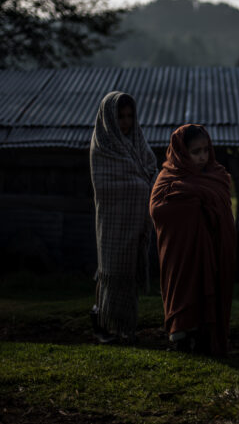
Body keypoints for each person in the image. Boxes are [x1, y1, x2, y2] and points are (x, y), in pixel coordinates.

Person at [149, 124, 236, 356]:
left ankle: (208, 338)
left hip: (213, 248)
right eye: (195, 152)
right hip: (182, 253)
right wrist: (191, 202)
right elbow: (157, 209)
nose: (202, 157)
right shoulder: (168, 178)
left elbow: (225, 213)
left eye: (205, 150)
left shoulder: (217, 176)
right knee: (184, 286)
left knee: (210, 290)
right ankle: (182, 336)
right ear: (180, 151)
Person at [89, 91, 158, 344]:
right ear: (109, 118)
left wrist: (145, 184)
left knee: (127, 274)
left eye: (130, 116)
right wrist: (139, 184)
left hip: (135, 223)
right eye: (120, 117)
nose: (126, 122)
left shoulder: (138, 141)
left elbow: (152, 169)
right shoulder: (103, 146)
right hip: (113, 222)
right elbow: (106, 185)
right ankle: (104, 324)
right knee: (110, 271)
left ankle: (125, 327)